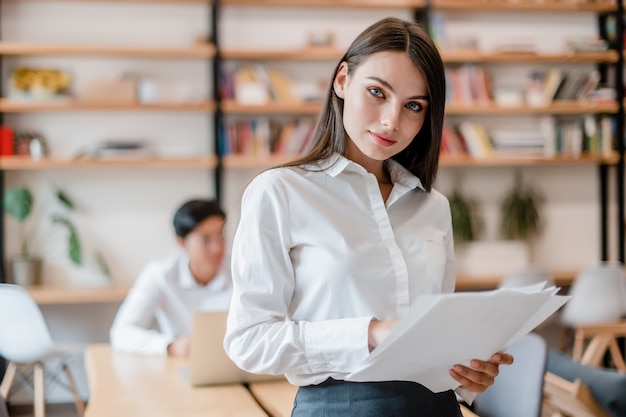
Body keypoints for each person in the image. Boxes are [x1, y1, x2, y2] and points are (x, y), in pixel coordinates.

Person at [223, 17, 513, 416]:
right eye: (377, 92)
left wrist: (466, 377)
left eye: (414, 106)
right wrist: (370, 333)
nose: (392, 121)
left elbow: (438, 337)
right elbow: (249, 340)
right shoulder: (280, 192)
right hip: (339, 406)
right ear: (342, 80)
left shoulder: (432, 206)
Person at [110, 198, 232, 358]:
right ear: (182, 243)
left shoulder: (242, 269)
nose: (217, 248)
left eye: (221, 236)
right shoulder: (160, 275)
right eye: (206, 239)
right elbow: (121, 333)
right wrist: (170, 346)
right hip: (182, 366)